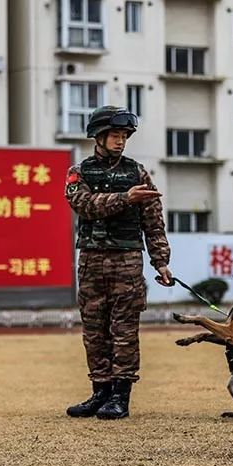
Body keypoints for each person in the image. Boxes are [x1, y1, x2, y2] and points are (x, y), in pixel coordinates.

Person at [64, 106, 171, 420]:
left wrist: (160, 261)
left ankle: (121, 396)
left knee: (124, 329)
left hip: (126, 261)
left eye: (124, 136)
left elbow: (153, 222)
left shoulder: (138, 173)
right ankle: (101, 392)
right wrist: (126, 199)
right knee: (94, 329)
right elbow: (82, 204)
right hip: (91, 260)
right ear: (98, 136)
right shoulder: (79, 172)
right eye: (115, 135)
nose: (120, 141)